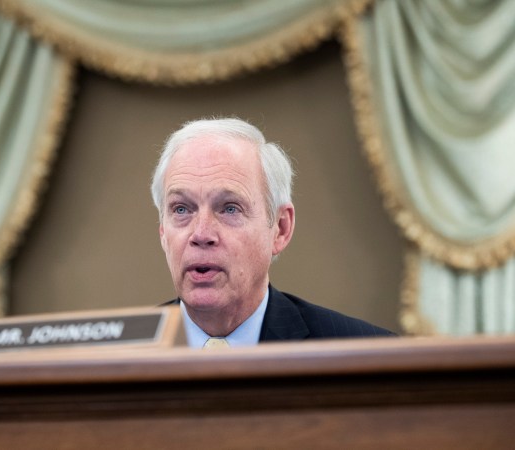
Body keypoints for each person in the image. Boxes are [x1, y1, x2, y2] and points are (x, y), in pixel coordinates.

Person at [151, 117, 395, 348]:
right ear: (163, 231)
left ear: (280, 228)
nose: (201, 234)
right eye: (181, 209)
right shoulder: (121, 351)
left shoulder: (370, 355)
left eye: (229, 209)